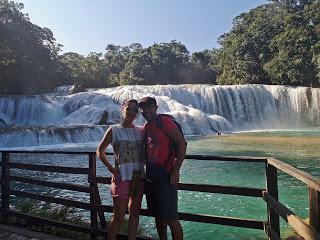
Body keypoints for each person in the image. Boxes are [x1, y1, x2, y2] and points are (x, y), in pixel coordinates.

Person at [139, 96, 187, 240]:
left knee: (171, 219)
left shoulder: (164, 122)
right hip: (151, 177)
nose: (146, 111)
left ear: (156, 107)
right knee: (159, 218)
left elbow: (182, 143)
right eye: (143, 108)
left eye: (149, 107)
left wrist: (176, 170)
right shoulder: (146, 127)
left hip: (166, 176)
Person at [96, 99, 145, 240]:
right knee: (118, 218)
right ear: (123, 109)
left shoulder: (140, 131)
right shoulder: (114, 130)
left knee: (134, 216)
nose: (132, 112)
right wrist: (110, 168)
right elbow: (100, 150)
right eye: (129, 109)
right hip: (121, 178)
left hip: (138, 178)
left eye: (135, 110)